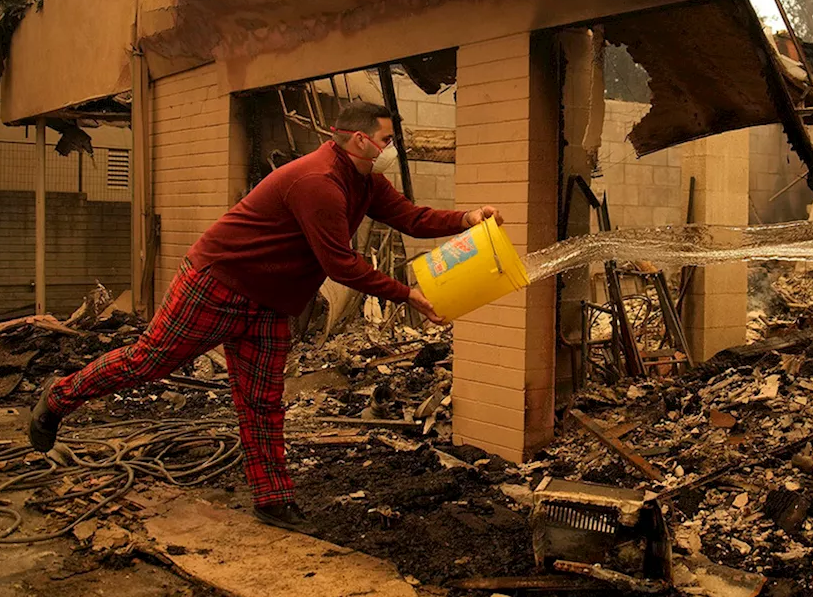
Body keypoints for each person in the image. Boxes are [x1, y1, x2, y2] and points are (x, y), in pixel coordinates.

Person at [27, 101, 502, 531]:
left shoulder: (366, 180)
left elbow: (412, 218)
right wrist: (408, 295)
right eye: (386, 140)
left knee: (262, 402)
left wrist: (466, 219)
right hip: (218, 284)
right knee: (151, 362)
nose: (389, 149)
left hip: (271, 301)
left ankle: (272, 499)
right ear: (359, 140)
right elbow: (340, 262)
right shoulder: (318, 182)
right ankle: (60, 396)